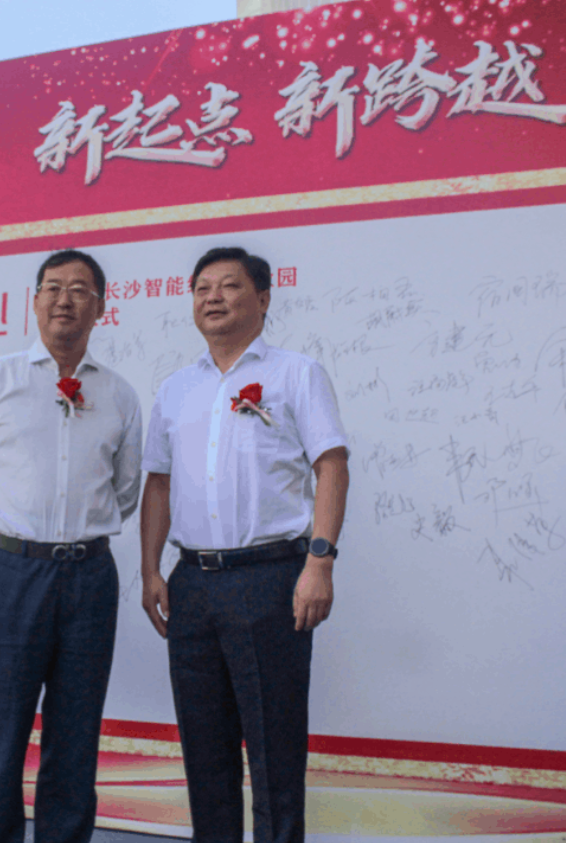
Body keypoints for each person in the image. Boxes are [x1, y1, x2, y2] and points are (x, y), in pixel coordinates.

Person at [139, 246, 349, 843]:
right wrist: (151, 570)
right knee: (203, 746)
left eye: (229, 285)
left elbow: (331, 466)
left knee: (274, 746)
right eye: (202, 287)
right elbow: (159, 484)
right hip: (192, 584)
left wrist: (320, 561)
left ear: (262, 298)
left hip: (271, 579)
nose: (213, 297)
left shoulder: (296, 373)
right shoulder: (176, 389)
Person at [0, 249, 143, 843]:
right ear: (34, 301)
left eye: (79, 289)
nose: (64, 299)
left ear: (100, 307)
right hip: (7, 574)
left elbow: (126, 489)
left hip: (89, 578)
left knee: (75, 737)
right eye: (52, 287)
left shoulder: (120, 394)